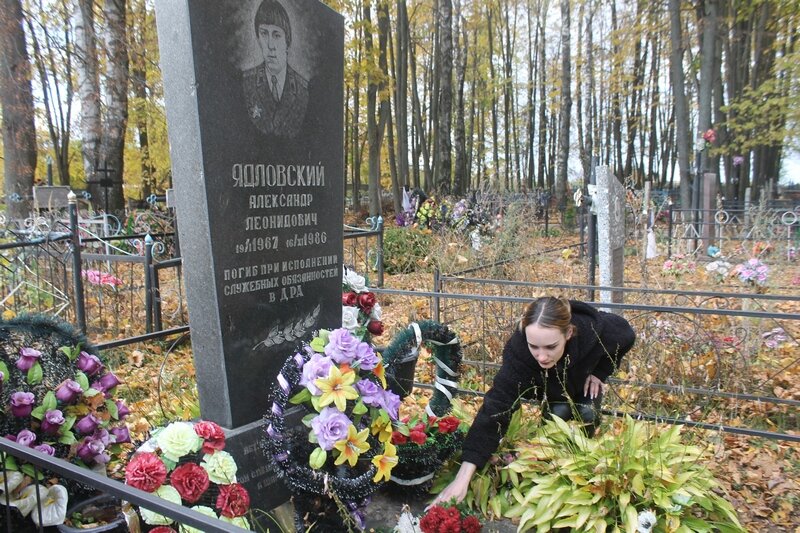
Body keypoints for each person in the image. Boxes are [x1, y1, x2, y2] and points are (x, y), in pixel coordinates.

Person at [432, 296, 636, 505]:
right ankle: (549, 466)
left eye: (550, 347)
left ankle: (583, 468)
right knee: (557, 415)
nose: (542, 357)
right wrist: (463, 476)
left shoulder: (592, 329)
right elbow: (496, 406)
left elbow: (627, 336)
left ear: (568, 333)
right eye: (534, 347)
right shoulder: (519, 352)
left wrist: (601, 372)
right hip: (553, 387)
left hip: (584, 381)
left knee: (587, 414)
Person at [242, 0, 309, 138]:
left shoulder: (303, 91)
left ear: (287, 40)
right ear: (258, 38)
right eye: (264, 33)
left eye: (276, 35)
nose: (270, 45)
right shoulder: (246, 83)